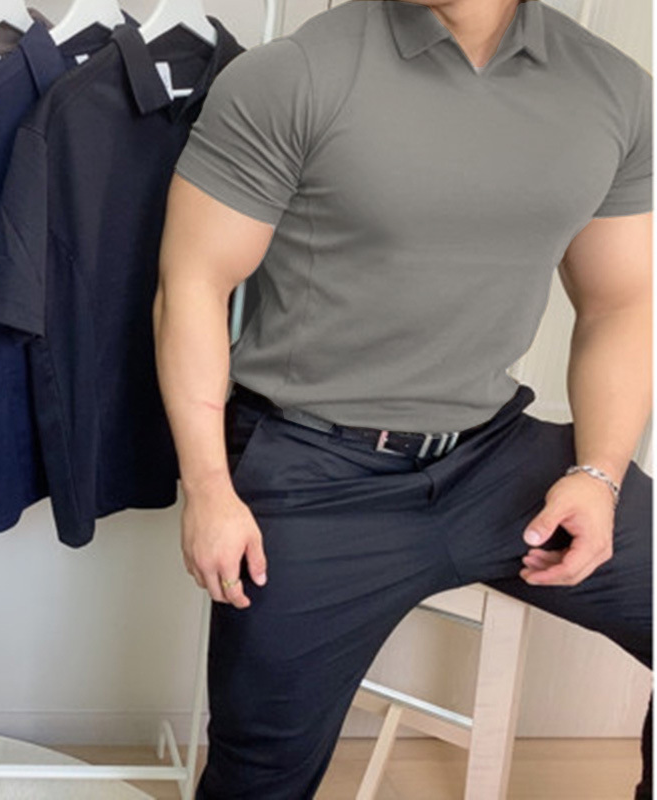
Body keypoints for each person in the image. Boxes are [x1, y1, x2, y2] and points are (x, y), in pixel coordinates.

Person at [153, 1, 653, 797]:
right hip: (314, 468)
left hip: (491, 457)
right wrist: (208, 488)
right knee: (260, 774)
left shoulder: (613, 90)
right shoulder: (295, 75)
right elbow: (193, 285)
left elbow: (619, 304)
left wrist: (599, 474)